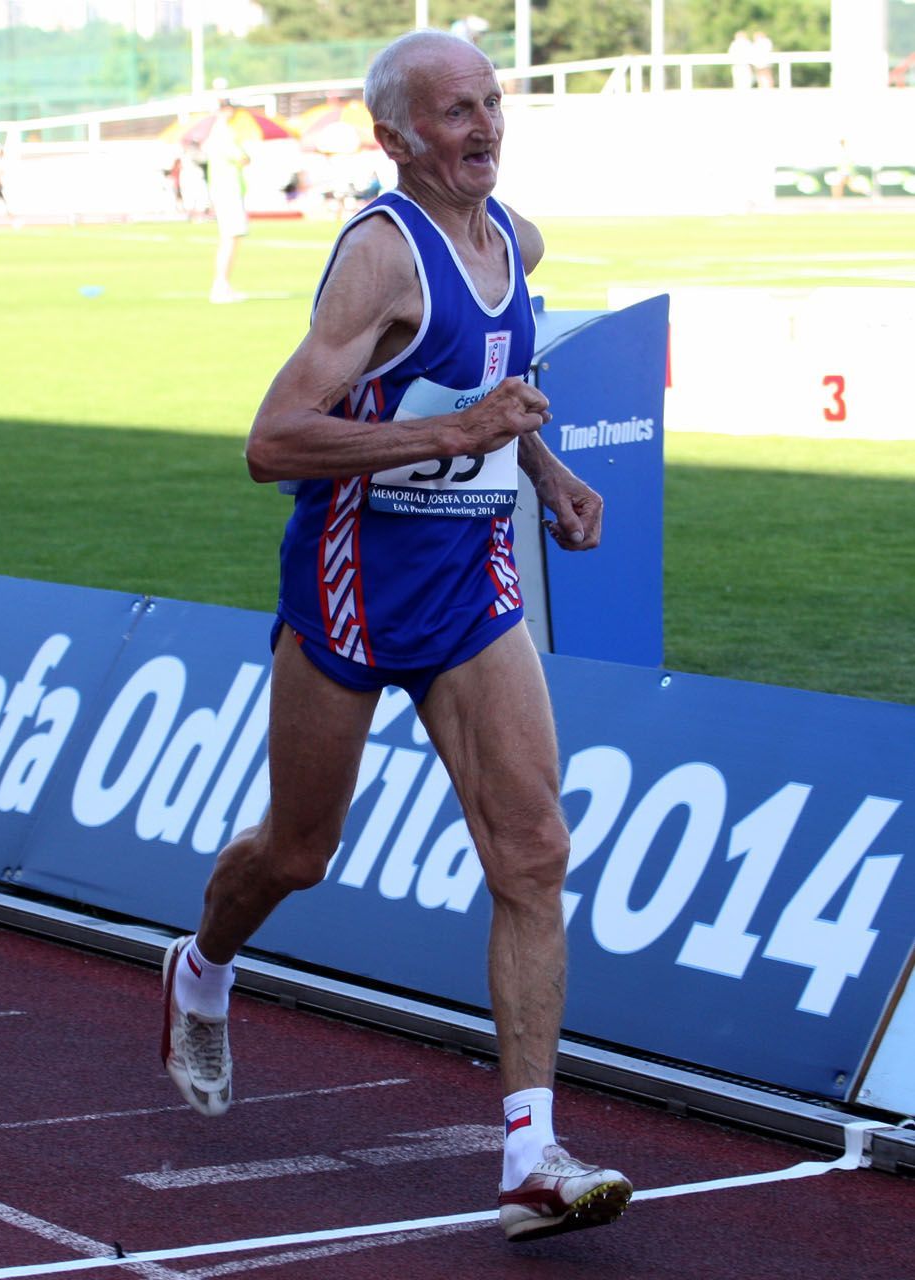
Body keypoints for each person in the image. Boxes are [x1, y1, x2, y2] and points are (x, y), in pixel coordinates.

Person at [159, 29, 632, 1245]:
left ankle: (529, 1149)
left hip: (471, 576)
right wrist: (453, 434)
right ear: (395, 140)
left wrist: (544, 465)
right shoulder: (378, 258)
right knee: (300, 850)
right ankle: (202, 966)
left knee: (532, 849)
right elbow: (272, 443)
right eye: (453, 112)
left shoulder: (516, 242)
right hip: (354, 576)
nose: (482, 126)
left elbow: (493, 384)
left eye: (489, 101)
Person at [203, 101, 250, 303]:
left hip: (225, 189)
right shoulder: (224, 132)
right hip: (228, 189)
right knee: (230, 237)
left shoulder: (217, 133)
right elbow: (242, 158)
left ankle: (223, 284)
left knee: (230, 237)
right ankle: (221, 285)